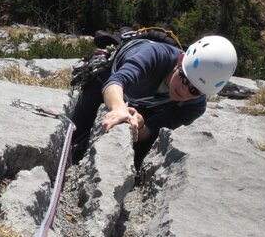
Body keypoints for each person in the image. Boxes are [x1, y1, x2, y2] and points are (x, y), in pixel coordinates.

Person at [71, 34, 238, 166]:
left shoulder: (194, 106)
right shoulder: (154, 56)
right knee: (75, 132)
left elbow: (153, 129)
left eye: (194, 90)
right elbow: (117, 81)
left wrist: (141, 125)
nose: (184, 90)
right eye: (184, 78)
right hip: (107, 81)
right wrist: (118, 108)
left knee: (139, 149)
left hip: (147, 105)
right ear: (180, 61)